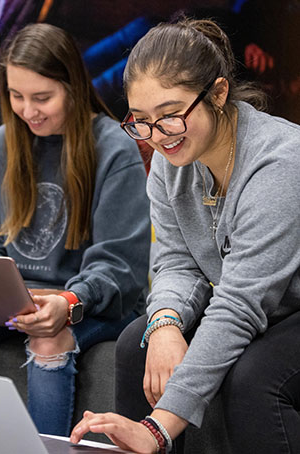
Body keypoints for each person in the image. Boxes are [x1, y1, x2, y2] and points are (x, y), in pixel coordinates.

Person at [70, 17, 300, 454]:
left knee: (255, 379)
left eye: (171, 116)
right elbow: (177, 261)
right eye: (141, 120)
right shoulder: (168, 161)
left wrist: (156, 430)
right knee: (134, 344)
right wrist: (165, 324)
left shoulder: (283, 163)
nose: (157, 137)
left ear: (218, 93)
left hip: (286, 309)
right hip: (257, 306)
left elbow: (239, 305)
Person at [0, 23, 151, 437]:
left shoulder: (113, 148)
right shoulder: (2, 145)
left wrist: (69, 301)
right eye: (16, 96)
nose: (28, 110)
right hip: (15, 302)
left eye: (42, 97)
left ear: (72, 86)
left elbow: (119, 268)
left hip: (90, 303)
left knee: (50, 340)